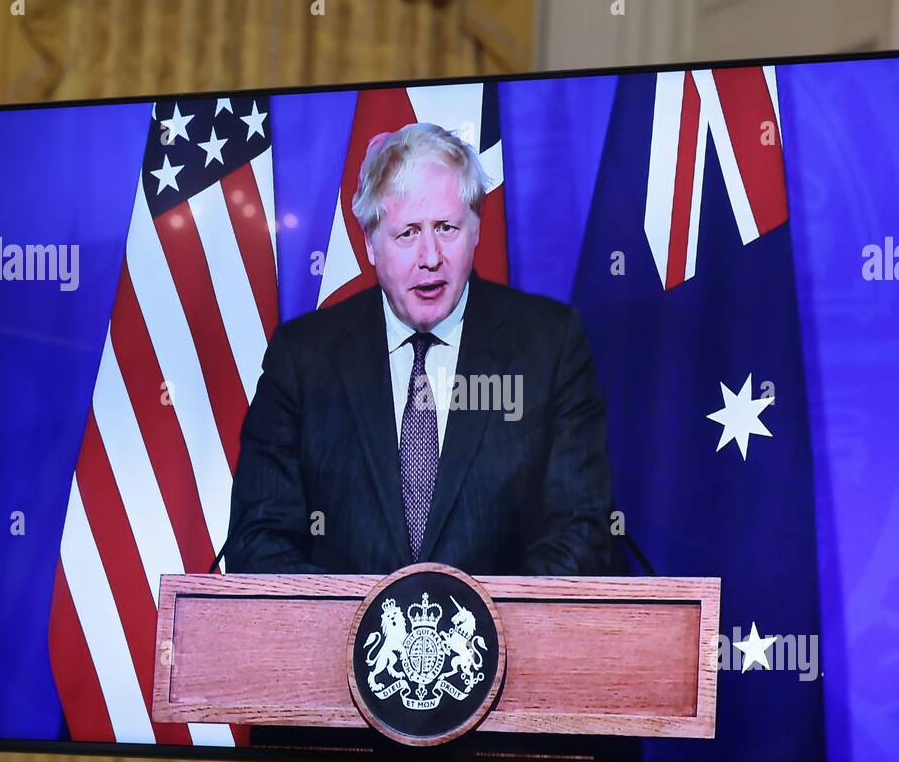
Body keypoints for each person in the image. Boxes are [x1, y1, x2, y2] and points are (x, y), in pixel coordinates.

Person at [225, 122, 614, 576]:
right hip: (344, 645)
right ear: (371, 243)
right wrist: (364, 629)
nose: (430, 256)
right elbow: (258, 539)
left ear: (476, 232)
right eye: (407, 233)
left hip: (504, 644)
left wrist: (474, 635)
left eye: (446, 228)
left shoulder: (550, 346)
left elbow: (580, 534)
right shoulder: (303, 359)